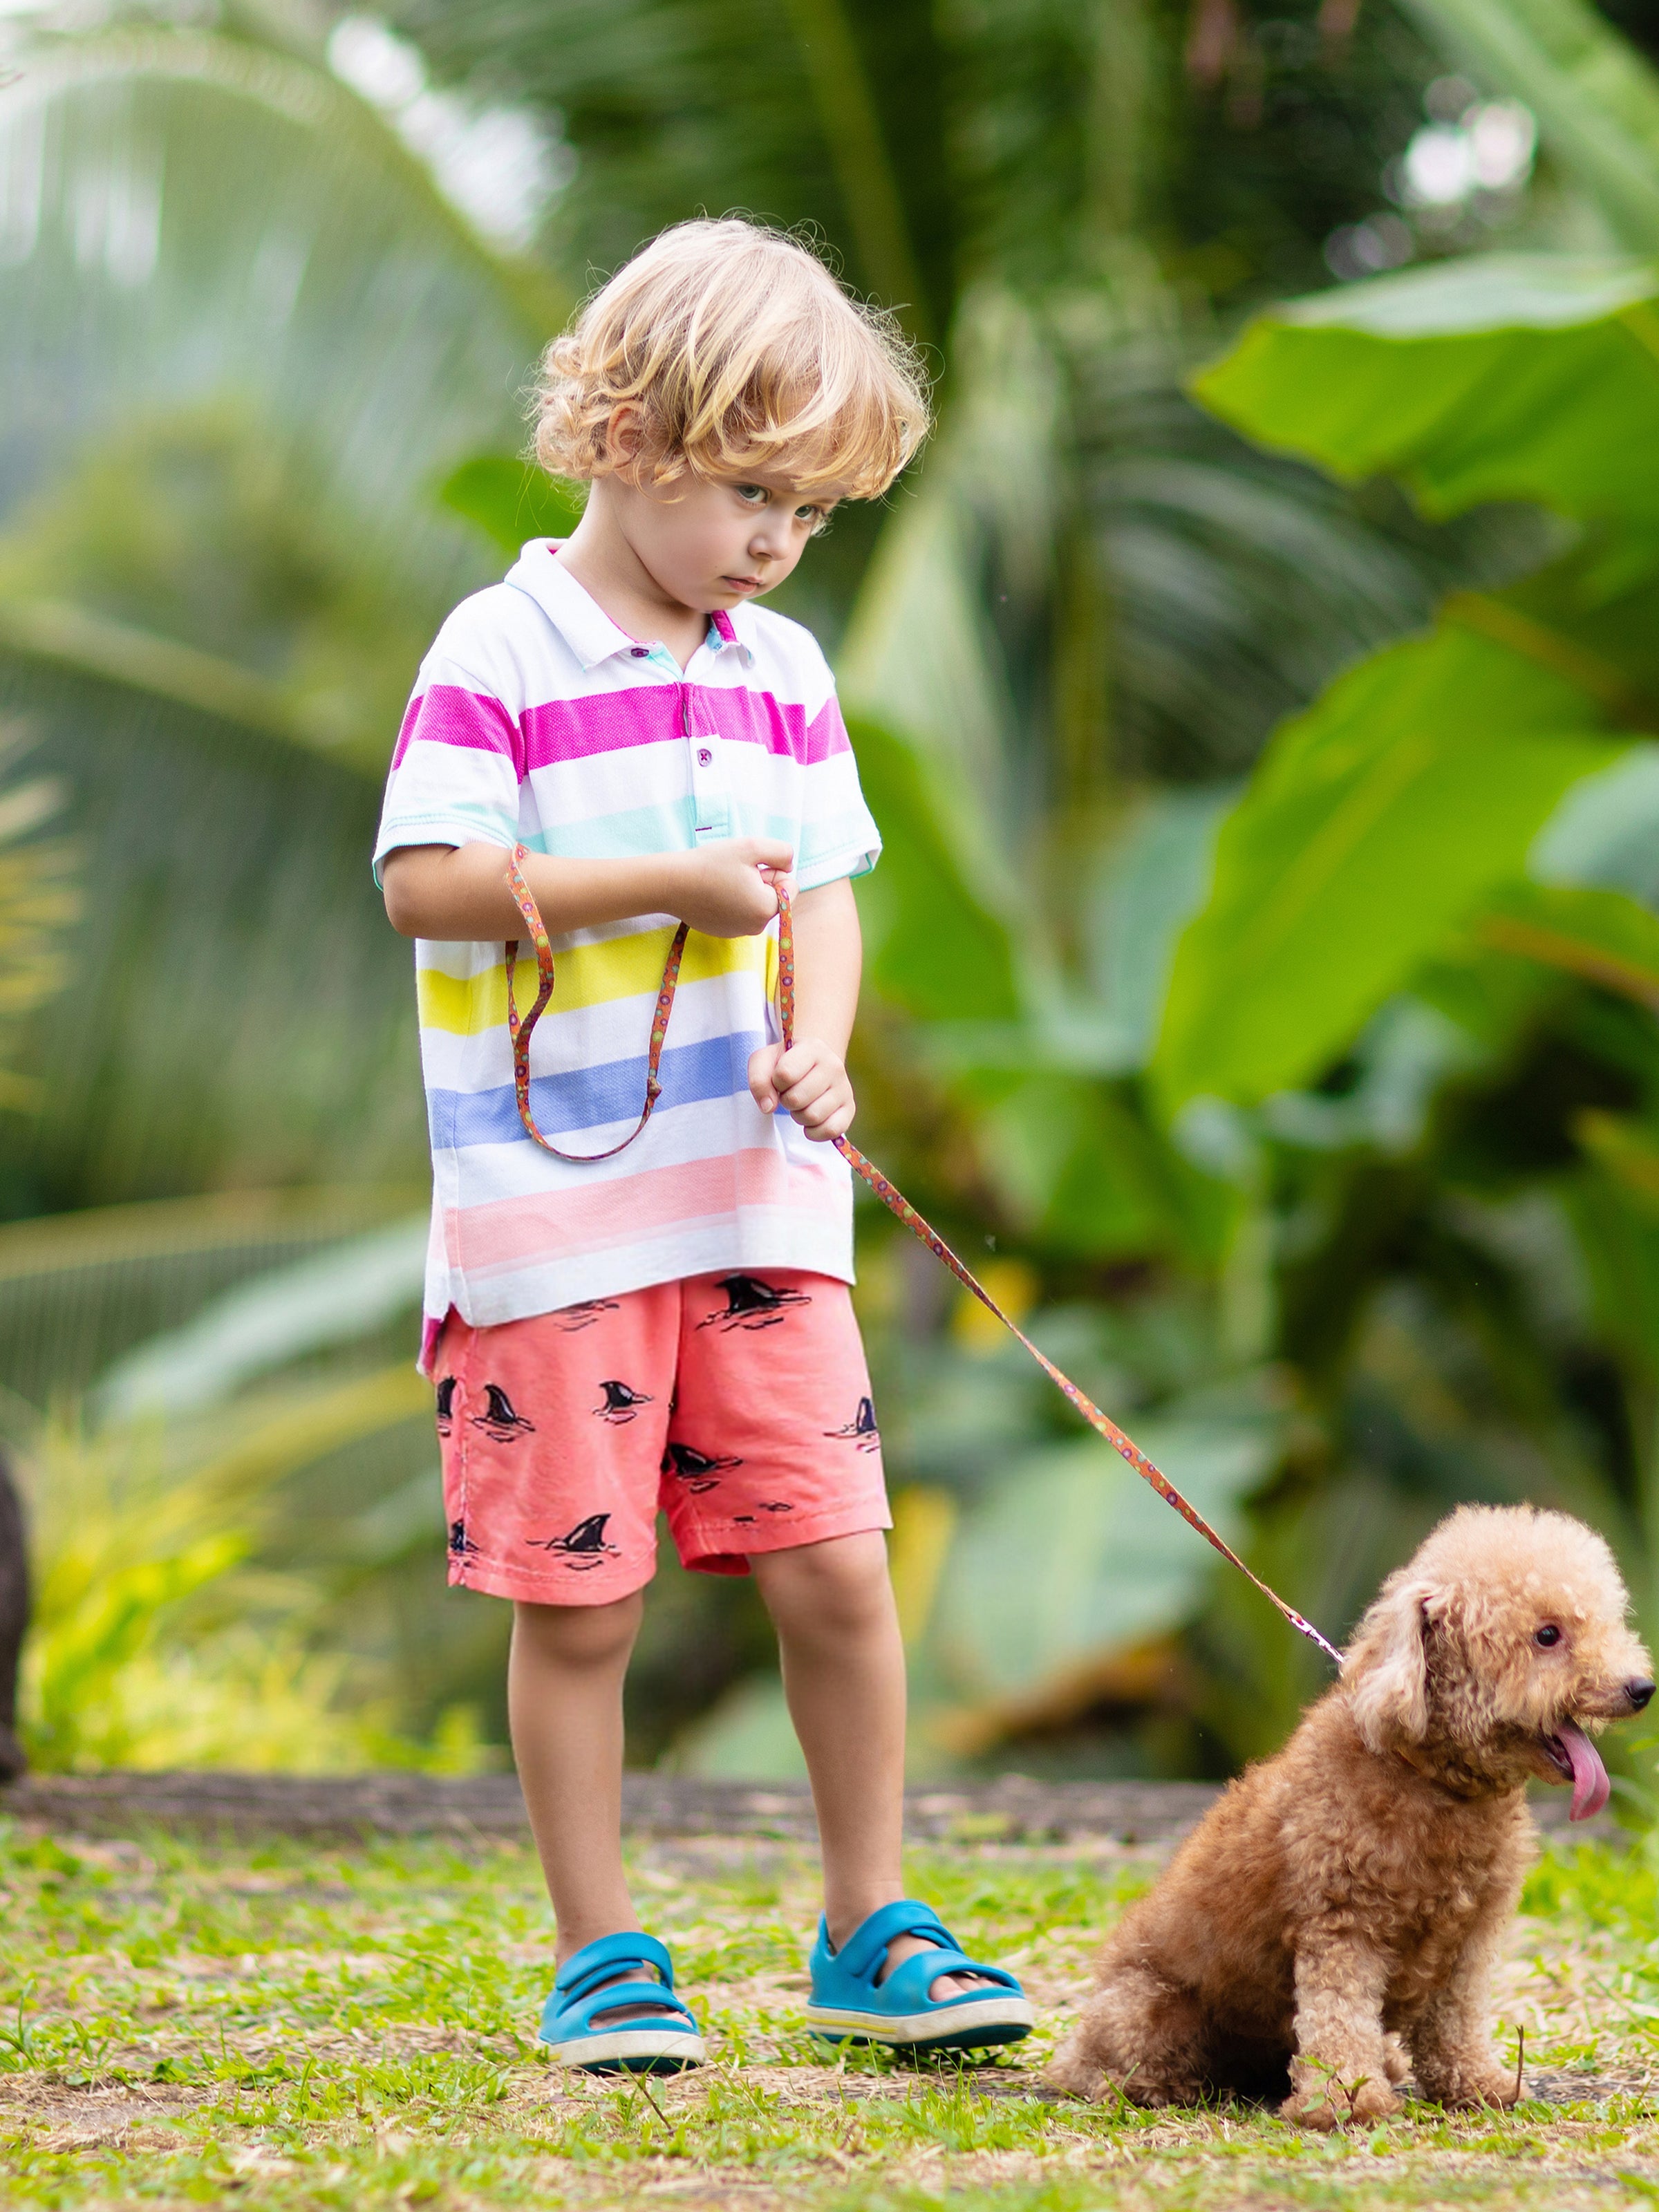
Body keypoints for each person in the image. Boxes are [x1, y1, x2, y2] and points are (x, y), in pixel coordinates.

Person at [376, 217, 1032, 2074]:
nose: (776, 542)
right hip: (554, 1223)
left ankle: (868, 1923)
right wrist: (655, 884)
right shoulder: (498, 647)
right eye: (753, 492)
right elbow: (426, 883)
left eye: (809, 512)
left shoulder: (786, 670)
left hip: (760, 1206)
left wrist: (823, 1046)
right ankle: (601, 1950)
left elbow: (822, 892)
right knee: (581, 1604)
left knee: (836, 1565)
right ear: (628, 434)